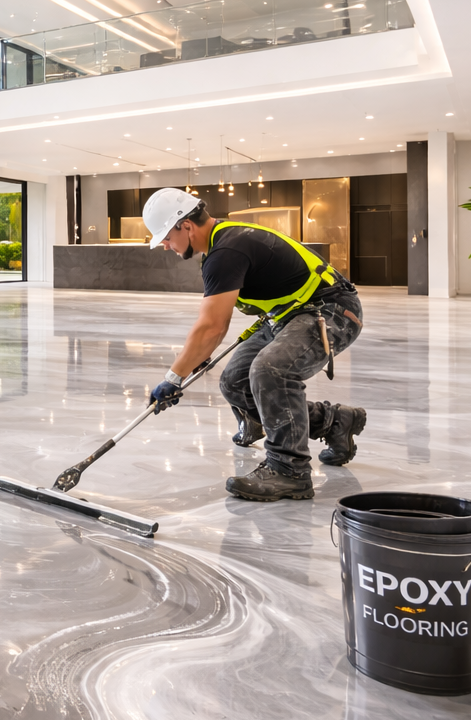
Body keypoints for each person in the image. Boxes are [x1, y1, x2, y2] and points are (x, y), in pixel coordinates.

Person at [140, 188, 366, 501]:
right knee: (234, 382)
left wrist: (173, 377)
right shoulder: (223, 244)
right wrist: (195, 357)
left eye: (165, 236)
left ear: (186, 226)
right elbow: (213, 326)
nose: (165, 245)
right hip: (290, 315)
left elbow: (212, 327)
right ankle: (335, 422)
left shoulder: (226, 251)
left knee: (270, 370)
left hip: (332, 311)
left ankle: (289, 470)